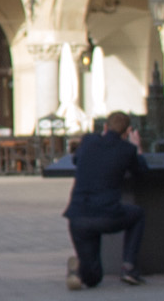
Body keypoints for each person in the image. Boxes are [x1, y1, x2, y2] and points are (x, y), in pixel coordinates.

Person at [64, 110, 149, 291]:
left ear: (105, 127)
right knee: (137, 215)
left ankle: (79, 270)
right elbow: (141, 172)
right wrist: (137, 149)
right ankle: (129, 268)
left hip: (78, 218)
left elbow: (76, 159)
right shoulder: (127, 150)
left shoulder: (88, 141)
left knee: (93, 280)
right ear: (127, 132)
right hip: (107, 216)